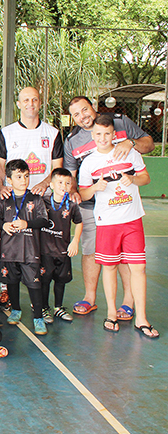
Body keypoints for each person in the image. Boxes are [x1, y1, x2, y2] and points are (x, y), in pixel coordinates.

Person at [64, 96, 154, 318]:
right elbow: (72, 176)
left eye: (84, 109)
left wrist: (130, 142)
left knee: (126, 256)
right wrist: (78, 191)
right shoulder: (72, 140)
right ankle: (90, 298)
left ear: (92, 107)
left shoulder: (120, 122)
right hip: (93, 206)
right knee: (91, 251)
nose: (82, 116)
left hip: (124, 206)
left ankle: (127, 302)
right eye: (76, 114)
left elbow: (149, 144)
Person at [78, 115, 158, 338]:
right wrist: (95, 188)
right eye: (98, 134)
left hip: (132, 220)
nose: (103, 138)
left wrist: (132, 180)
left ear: (114, 135)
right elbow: (83, 192)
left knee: (138, 268)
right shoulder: (89, 163)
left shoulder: (129, 153)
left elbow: (145, 177)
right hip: (107, 222)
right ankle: (111, 313)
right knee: (110, 267)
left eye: (107, 134)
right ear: (93, 136)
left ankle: (141, 317)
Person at [0, 159, 50, 335]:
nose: (24, 180)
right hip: (9, 250)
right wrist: (3, 225)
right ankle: (16, 309)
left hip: (29, 250)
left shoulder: (36, 198)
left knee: (34, 284)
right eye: (19, 177)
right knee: (11, 281)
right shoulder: (4, 200)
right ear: (9, 180)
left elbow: (45, 221)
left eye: (26, 176)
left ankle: (38, 317)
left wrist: (27, 223)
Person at [0, 87, 63, 197]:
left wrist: (44, 184)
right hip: (13, 197)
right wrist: (0, 186)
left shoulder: (53, 133)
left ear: (40, 103)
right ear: (18, 104)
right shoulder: (6, 133)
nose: (31, 104)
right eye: (26, 100)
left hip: (43, 196)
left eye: (35, 99)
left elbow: (57, 168)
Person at [39, 168, 83, 323]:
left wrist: (75, 241)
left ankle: (58, 307)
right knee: (44, 281)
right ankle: (43, 308)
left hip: (63, 251)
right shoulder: (42, 201)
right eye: (59, 182)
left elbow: (78, 223)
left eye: (67, 183)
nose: (63, 186)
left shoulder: (71, 205)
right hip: (45, 251)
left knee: (61, 281)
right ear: (51, 185)